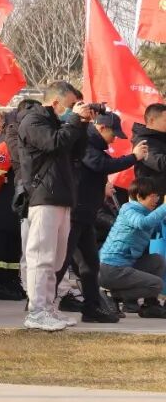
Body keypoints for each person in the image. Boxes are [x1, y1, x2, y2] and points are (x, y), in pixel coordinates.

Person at [18, 81, 91, 332]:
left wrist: (83, 124)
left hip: (61, 195)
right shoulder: (33, 120)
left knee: (57, 259)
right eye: (72, 105)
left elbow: (76, 151)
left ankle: (48, 307)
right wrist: (73, 121)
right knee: (41, 256)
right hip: (43, 196)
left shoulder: (59, 123)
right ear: (56, 102)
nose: (74, 109)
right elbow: (54, 143)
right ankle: (36, 312)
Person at [68, 112, 147, 323]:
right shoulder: (86, 143)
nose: (114, 140)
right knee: (62, 262)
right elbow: (102, 165)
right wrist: (133, 157)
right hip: (76, 214)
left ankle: (92, 308)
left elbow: (103, 165)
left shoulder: (94, 147)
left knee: (90, 264)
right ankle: (42, 306)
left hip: (86, 214)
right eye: (113, 134)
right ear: (102, 128)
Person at [99, 177, 166, 317]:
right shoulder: (128, 209)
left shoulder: (147, 213)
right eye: (153, 196)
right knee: (157, 285)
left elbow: (156, 227)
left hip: (126, 265)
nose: (156, 200)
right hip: (110, 268)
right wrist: (164, 208)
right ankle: (111, 296)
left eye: (158, 196)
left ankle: (150, 306)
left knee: (157, 260)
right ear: (139, 196)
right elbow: (143, 223)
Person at [0, 105, 32, 301]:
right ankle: (3, 284)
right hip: (6, 199)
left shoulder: (22, 142)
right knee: (4, 243)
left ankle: (13, 280)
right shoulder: (5, 145)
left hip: (17, 201)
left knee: (15, 244)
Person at [132, 103, 166, 196]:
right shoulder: (143, 141)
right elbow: (160, 163)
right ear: (151, 121)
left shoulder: (161, 138)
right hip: (152, 196)